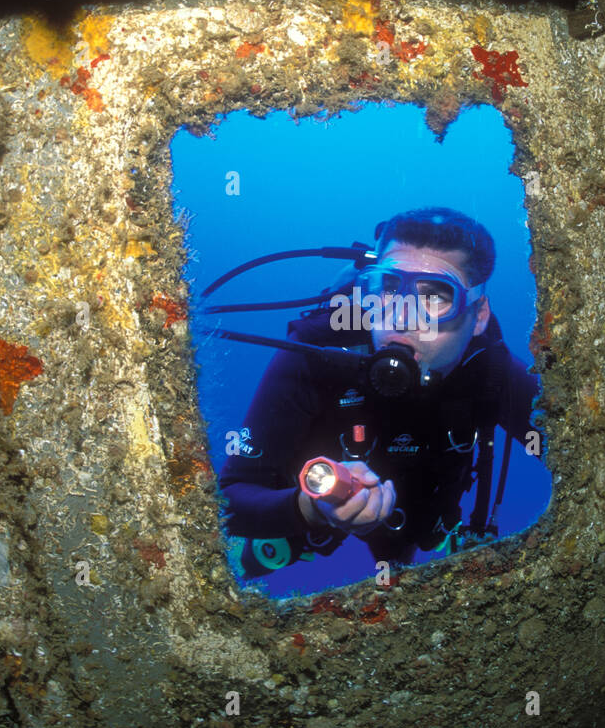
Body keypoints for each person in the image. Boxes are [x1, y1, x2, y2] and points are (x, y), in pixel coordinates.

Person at [219, 207, 540, 578]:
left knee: (405, 552)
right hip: (314, 512)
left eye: (435, 296)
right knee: (256, 557)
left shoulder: (491, 372)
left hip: (420, 515)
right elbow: (228, 497)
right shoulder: (320, 351)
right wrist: (307, 509)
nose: (401, 317)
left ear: (478, 313)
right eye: (387, 288)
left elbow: (586, 451)